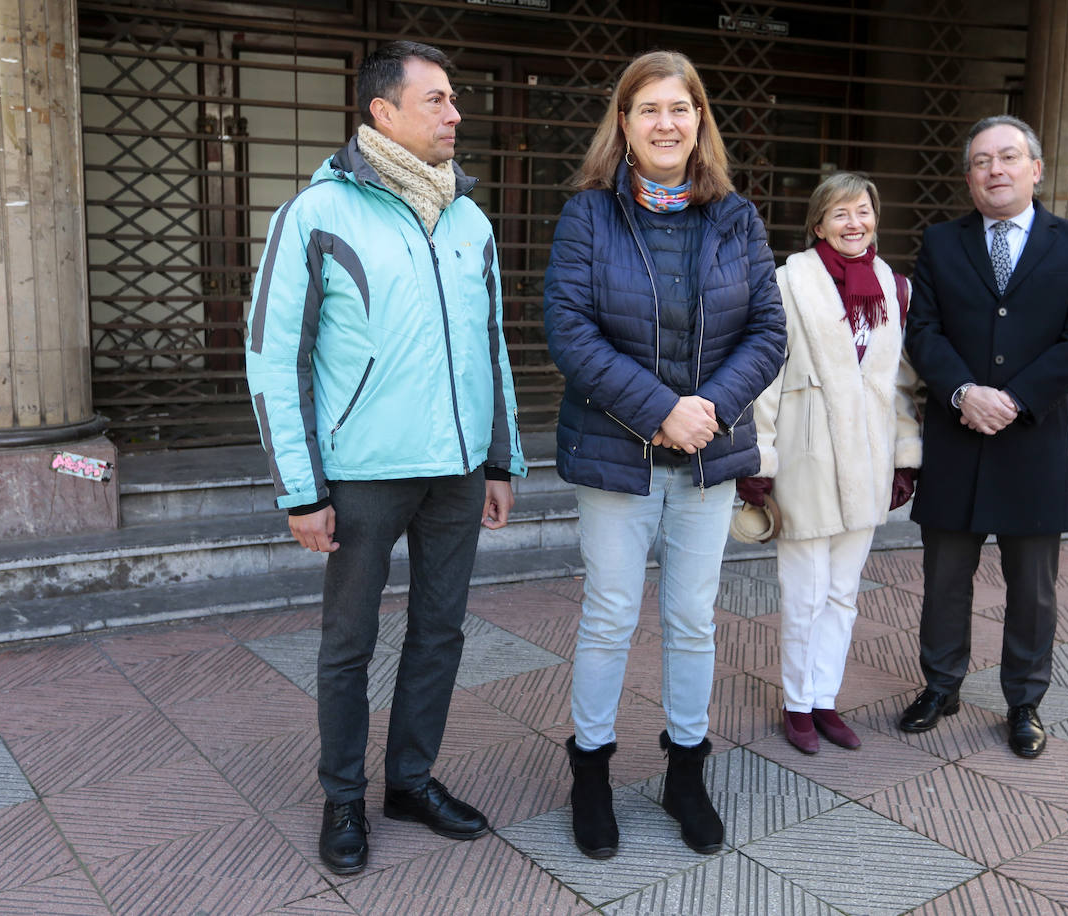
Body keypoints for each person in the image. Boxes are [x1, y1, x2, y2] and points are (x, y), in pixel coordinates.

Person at [244, 41, 526, 875]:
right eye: (435, 100)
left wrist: (501, 461)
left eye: (453, 99)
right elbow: (273, 357)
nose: (454, 114)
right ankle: (343, 798)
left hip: (457, 473)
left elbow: (492, 346)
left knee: (439, 632)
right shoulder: (317, 213)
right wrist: (302, 490)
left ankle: (410, 780)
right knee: (349, 644)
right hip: (362, 475)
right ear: (383, 114)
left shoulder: (470, 219)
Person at [543, 50, 785, 858]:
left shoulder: (736, 217)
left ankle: (687, 772)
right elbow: (569, 331)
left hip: (708, 458)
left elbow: (767, 332)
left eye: (681, 108)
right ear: (624, 122)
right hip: (618, 456)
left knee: (691, 621)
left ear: (700, 121)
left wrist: (706, 411)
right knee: (610, 616)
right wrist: (657, 412)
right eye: (648, 108)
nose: (666, 123)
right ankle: (591, 775)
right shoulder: (588, 215)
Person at [898, 114, 1068, 759]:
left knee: (1033, 587)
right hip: (958, 437)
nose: (996, 170)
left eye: (1009, 157)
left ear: (1035, 169)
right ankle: (941, 684)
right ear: (969, 178)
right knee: (945, 577)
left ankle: (1025, 701)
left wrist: (1014, 399)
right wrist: (964, 392)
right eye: (983, 161)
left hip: (1032, 442)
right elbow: (922, 331)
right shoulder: (940, 242)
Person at [737, 172, 921, 755]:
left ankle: (824, 699)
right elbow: (766, 375)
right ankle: (796, 704)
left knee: (844, 593)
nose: (854, 222)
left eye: (863, 211)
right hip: (807, 456)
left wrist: (905, 457)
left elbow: (900, 383)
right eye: (840, 213)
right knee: (805, 592)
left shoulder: (894, 287)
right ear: (818, 224)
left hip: (868, 460)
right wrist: (759, 459)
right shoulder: (789, 282)